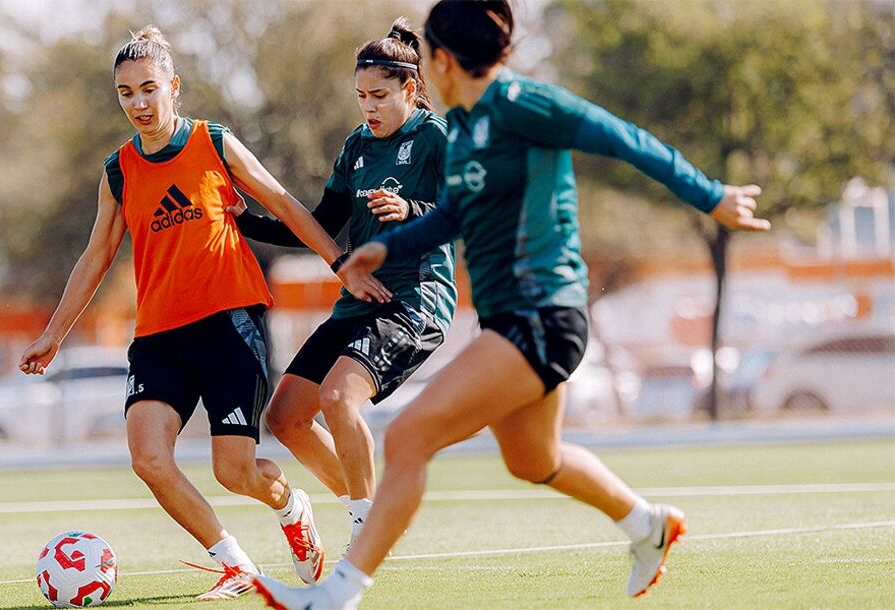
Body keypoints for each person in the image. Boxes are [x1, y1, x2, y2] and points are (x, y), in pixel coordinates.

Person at [253, 2, 771, 608]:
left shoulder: (525, 106)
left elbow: (624, 139)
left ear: (440, 64)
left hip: (542, 312)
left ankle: (336, 594)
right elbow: (454, 216)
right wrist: (382, 249)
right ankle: (647, 525)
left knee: (410, 437)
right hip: (511, 318)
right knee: (534, 460)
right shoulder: (470, 125)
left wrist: (712, 197)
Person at [18, 26, 392, 601]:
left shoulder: (213, 142)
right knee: (148, 458)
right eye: (125, 93)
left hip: (229, 329)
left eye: (149, 89)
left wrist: (339, 261)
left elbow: (284, 204)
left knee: (234, 473)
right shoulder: (118, 171)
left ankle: (291, 506)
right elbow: (95, 256)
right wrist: (53, 335)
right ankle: (234, 563)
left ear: (174, 86)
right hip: (160, 337)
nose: (138, 104)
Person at [227, 17, 456, 550]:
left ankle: (366, 527)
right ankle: (371, 510)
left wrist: (412, 208)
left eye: (379, 94)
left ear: (411, 88)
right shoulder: (356, 147)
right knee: (284, 419)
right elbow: (318, 223)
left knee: (338, 397)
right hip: (358, 302)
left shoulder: (435, 138)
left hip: (414, 300)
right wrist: (242, 218)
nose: (368, 107)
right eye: (360, 96)